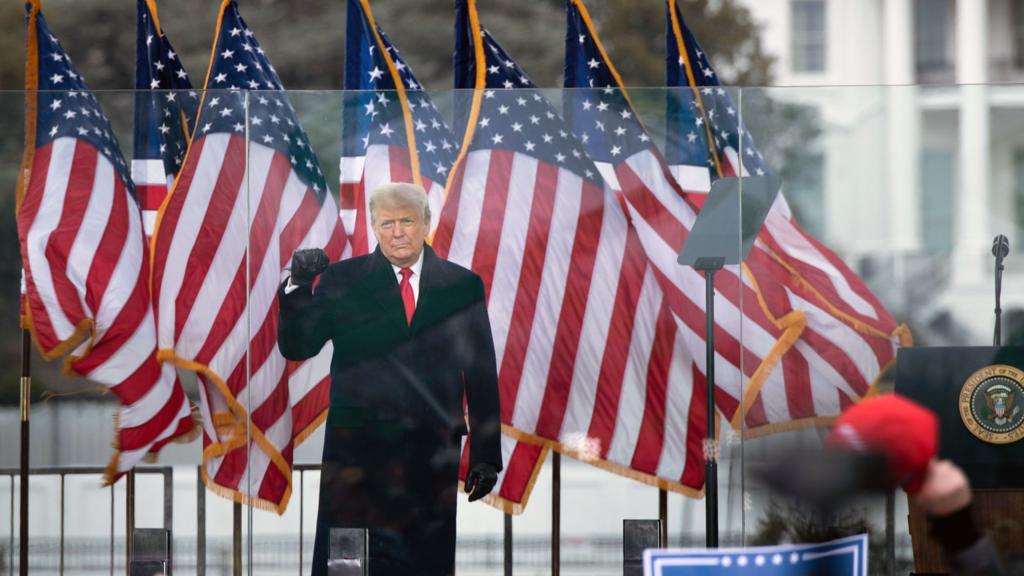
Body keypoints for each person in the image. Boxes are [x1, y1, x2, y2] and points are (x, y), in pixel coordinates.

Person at [277, 182, 502, 576]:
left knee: (425, 564)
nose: (397, 232)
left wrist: (485, 456)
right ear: (374, 227)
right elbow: (299, 347)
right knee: (347, 564)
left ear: (426, 223)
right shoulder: (342, 280)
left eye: (407, 221)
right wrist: (297, 288)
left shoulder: (462, 286)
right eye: (386, 223)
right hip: (356, 456)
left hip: (431, 453)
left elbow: (481, 373)